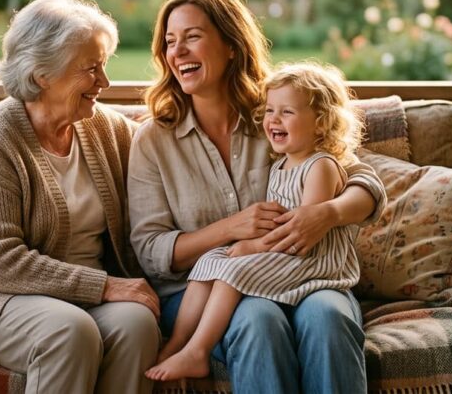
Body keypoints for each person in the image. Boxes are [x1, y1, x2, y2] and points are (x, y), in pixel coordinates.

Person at [129, 0, 387, 394]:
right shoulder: (154, 140)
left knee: (328, 316)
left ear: (231, 45)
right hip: (204, 292)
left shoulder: (276, 116)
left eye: (192, 37)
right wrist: (231, 229)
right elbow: (151, 251)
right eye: (170, 41)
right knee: (257, 320)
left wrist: (327, 214)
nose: (177, 52)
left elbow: (363, 182)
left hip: (307, 276)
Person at [0, 0, 161, 394]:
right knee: (68, 330)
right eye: (91, 68)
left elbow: (166, 155)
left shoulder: (106, 129)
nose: (105, 82)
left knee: (136, 324)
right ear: (42, 73)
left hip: (72, 298)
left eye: (105, 64)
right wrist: (106, 286)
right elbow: (1, 263)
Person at [145, 62, 365, 382]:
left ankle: (198, 350)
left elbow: (304, 231)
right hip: (281, 255)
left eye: (286, 112)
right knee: (210, 261)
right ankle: (180, 343)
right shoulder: (281, 162)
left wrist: (251, 246)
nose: (273, 119)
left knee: (236, 270)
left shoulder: (320, 165)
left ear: (321, 123)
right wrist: (234, 237)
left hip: (308, 260)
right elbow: (150, 247)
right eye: (270, 111)